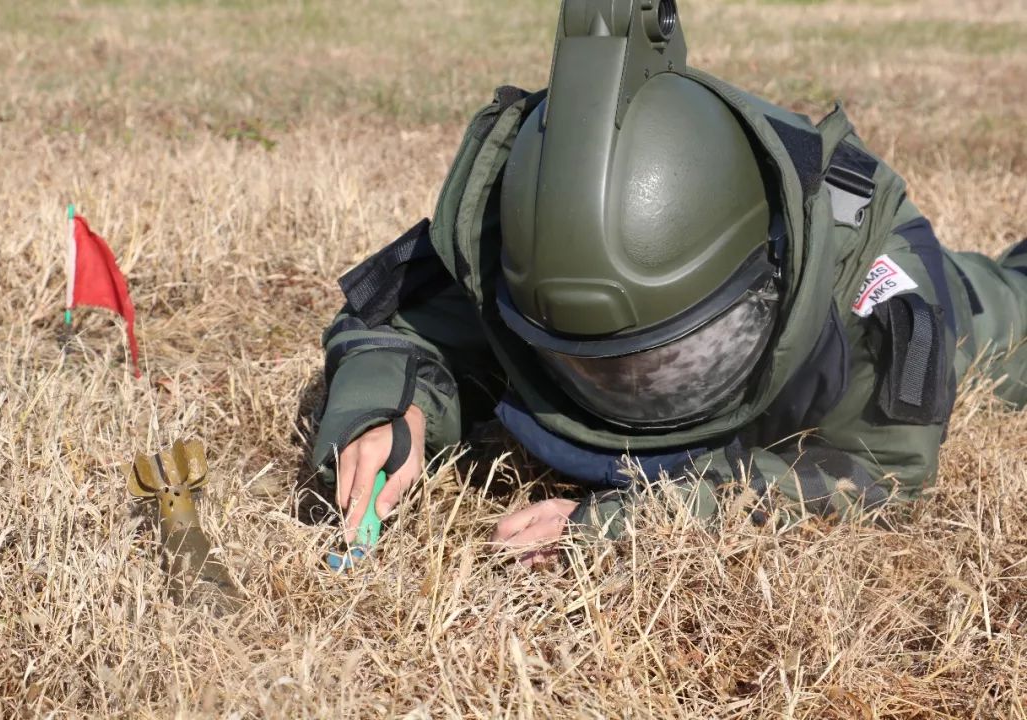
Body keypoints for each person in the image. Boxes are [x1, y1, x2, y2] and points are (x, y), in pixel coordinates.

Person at [306, 0, 1027, 562]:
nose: (630, 394)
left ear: (765, 279)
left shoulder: (866, 287)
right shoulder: (511, 237)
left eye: (672, 360)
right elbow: (397, 320)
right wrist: (388, 410)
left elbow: (879, 470)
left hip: (960, 300)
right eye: (586, 364)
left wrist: (630, 523)